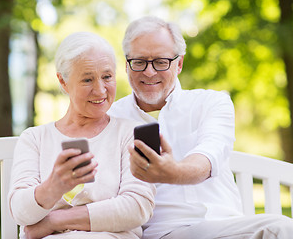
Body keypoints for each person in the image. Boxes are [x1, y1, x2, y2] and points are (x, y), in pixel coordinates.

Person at [108, 16, 293, 239]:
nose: (149, 72)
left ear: (179, 64)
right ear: (127, 63)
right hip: (164, 232)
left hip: (228, 227)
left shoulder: (212, 103)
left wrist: (172, 172)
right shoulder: (111, 118)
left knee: (281, 229)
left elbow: (207, 156)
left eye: (161, 61)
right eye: (139, 62)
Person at [8, 31, 155, 239]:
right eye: (87, 79)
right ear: (63, 82)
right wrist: (53, 186)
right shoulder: (34, 138)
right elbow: (20, 211)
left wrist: (54, 221)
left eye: (107, 77)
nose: (100, 90)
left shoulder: (135, 133)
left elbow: (138, 206)